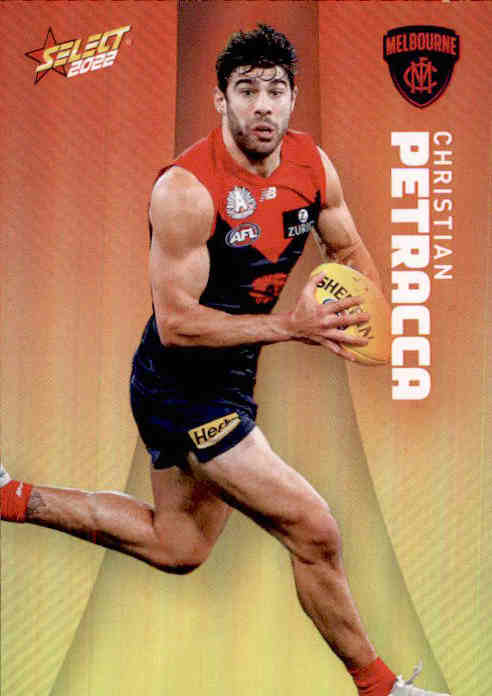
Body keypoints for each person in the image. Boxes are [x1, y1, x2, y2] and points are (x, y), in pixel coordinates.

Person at [1, 25, 449, 696]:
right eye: (246, 90)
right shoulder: (187, 189)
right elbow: (178, 324)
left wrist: (372, 314)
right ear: (221, 100)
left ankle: (9, 497)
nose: (262, 105)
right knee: (314, 529)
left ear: (293, 97)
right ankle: (380, 687)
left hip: (228, 377)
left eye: (276, 90)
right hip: (182, 385)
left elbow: (348, 248)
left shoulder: (312, 166)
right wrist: (291, 328)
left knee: (178, 547)